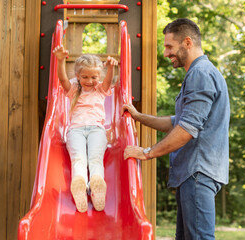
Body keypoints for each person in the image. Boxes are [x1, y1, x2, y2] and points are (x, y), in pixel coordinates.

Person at [123, 18, 230, 239]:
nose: (165, 53)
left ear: (187, 42)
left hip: (198, 171)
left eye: (169, 46)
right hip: (193, 173)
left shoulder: (200, 74)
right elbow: (177, 122)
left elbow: (187, 129)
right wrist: (138, 117)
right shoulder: (198, 74)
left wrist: (147, 152)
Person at [53, 45, 118, 213]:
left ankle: (97, 184)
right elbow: (62, 79)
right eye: (85, 77)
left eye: (94, 77)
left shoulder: (100, 89)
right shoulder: (74, 88)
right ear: (77, 76)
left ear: (99, 76)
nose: (90, 81)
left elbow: (109, 81)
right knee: (79, 158)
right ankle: (79, 183)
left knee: (95, 158)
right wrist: (60, 60)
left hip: (97, 129)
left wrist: (111, 67)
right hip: (76, 130)